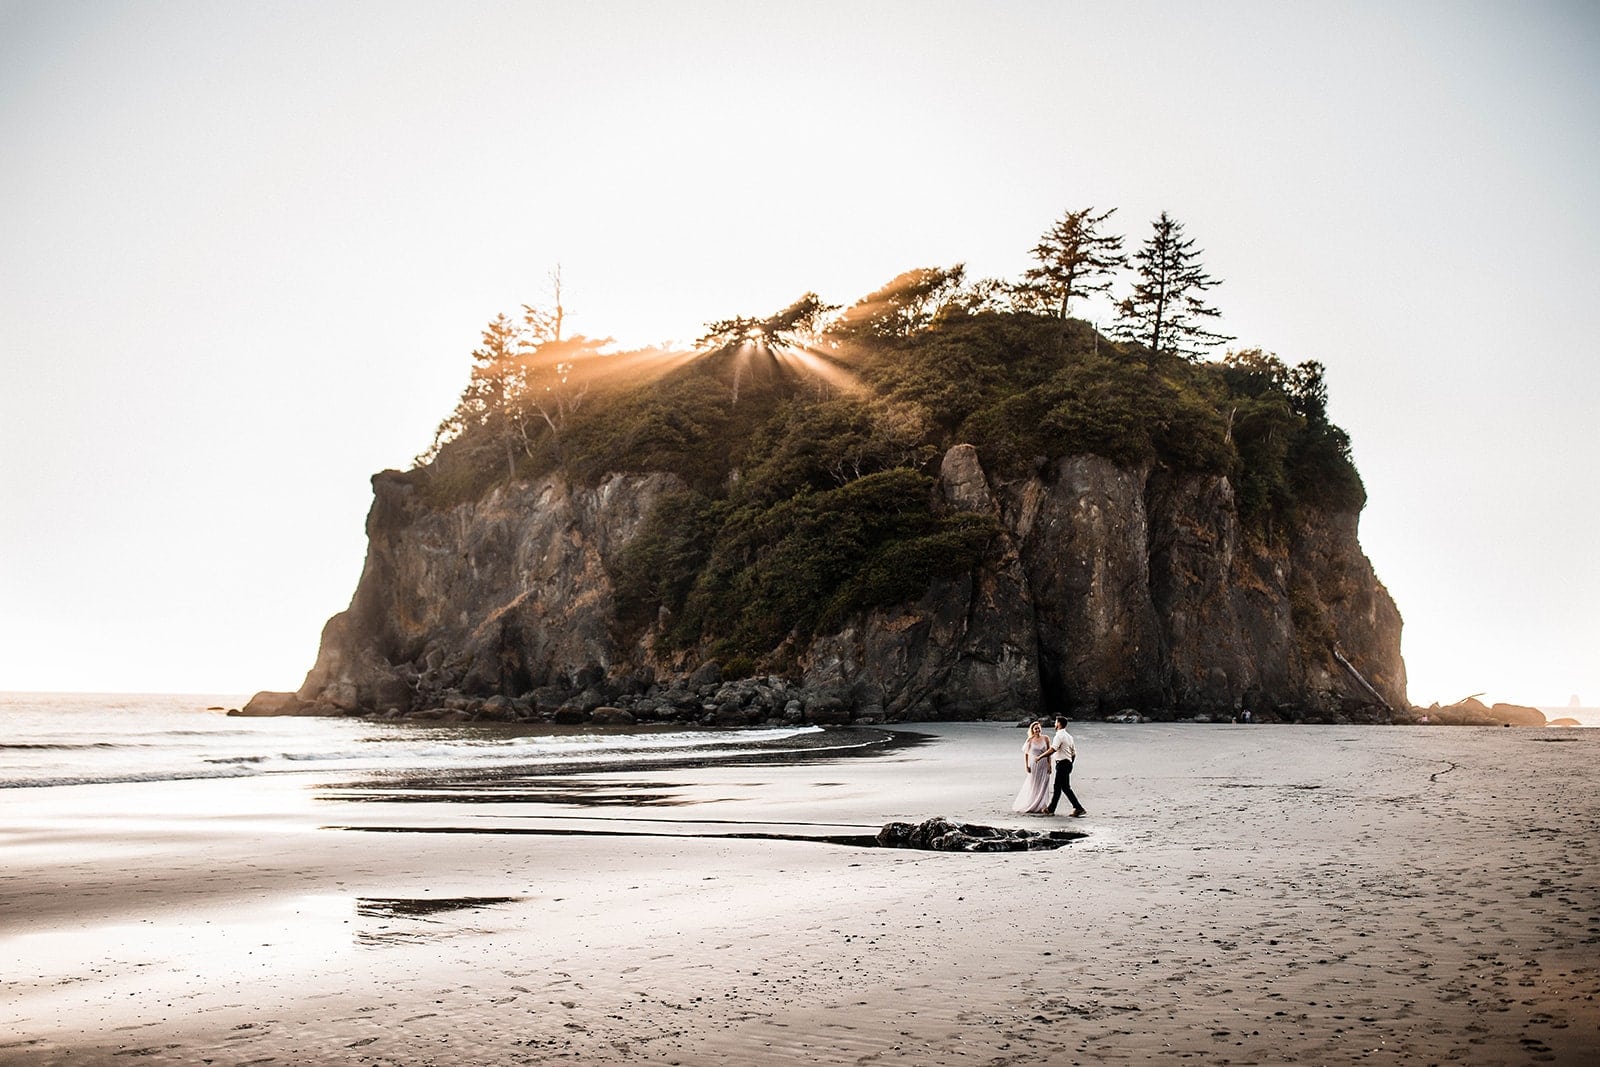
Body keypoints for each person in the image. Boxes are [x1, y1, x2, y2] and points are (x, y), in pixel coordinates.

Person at [1044, 716, 1086, 817]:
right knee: (1061, 787)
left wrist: (1040, 757)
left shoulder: (1059, 736)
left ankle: (1078, 808)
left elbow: (1053, 749)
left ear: (1058, 724)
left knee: (1063, 787)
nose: (1054, 724)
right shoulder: (1069, 736)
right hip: (1067, 763)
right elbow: (1074, 753)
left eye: (1055, 722)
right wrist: (1070, 764)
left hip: (1062, 764)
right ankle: (1051, 808)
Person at [1011, 721, 1053, 814]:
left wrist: (1050, 765)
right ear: (1032, 730)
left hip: (1044, 764)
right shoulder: (1030, 740)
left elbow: (1049, 753)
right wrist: (1027, 765)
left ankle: (1043, 805)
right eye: (1035, 728)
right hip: (1034, 764)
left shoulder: (1046, 738)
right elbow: (1026, 754)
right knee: (1035, 783)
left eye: (1038, 728)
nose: (1037, 730)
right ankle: (1034, 803)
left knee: (1044, 783)